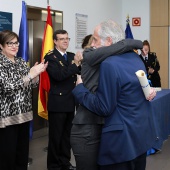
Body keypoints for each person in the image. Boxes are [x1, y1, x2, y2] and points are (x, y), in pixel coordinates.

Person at [72, 20, 156, 170]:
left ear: (109, 41)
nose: (93, 45)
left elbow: (105, 107)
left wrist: (80, 90)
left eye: (96, 40)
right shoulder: (136, 58)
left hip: (121, 141)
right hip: (139, 136)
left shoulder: (109, 64)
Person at [0, 30, 48, 170]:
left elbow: (30, 85)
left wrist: (36, 74)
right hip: (8, 117)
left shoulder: (21, 61)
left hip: (24, 115)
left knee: (22, 154)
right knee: (7, 156)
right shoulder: (1, 63)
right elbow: (8, 87)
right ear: (1, 46)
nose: (15, 46)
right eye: (10, 43)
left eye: (16, 43)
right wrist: (29, 75)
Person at [44, 29, 82, 170]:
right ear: (55, 41)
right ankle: (54, 166)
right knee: (56, 137)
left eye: (67, 38)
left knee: (67, 137)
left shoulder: (71, 56)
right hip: (58, 103)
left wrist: (78, 65)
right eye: (61, 39)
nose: (65, 41)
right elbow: (59, 76)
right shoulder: (50, 57)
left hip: (70, 101)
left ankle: (64, 163)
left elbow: (78, 72)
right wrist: (75, 65)